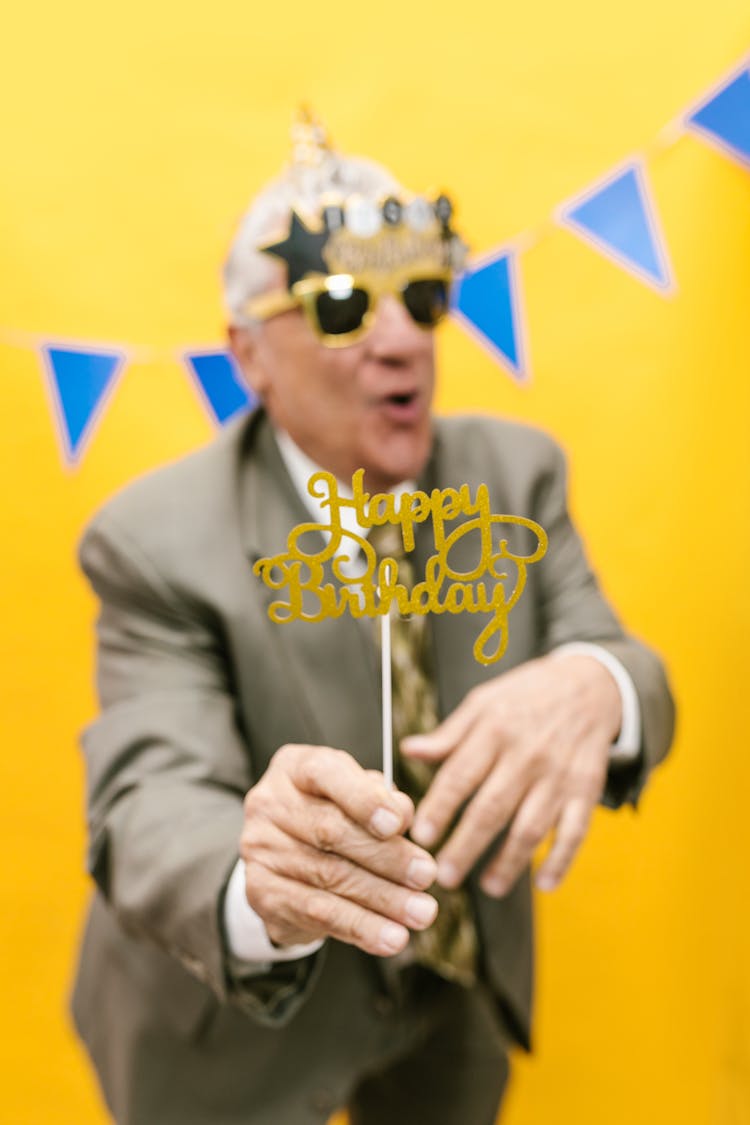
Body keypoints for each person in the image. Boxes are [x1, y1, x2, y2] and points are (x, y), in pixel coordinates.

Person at [71, 112, 675, 1125]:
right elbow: (148, 801)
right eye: (345, 304)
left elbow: (628, 665)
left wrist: (594, 687)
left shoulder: (515, 477)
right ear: (248, 354)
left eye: (423, 296)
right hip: (234, 1021)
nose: (400, 338)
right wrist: (259, 878)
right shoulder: (153, 538)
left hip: (450, 1001)